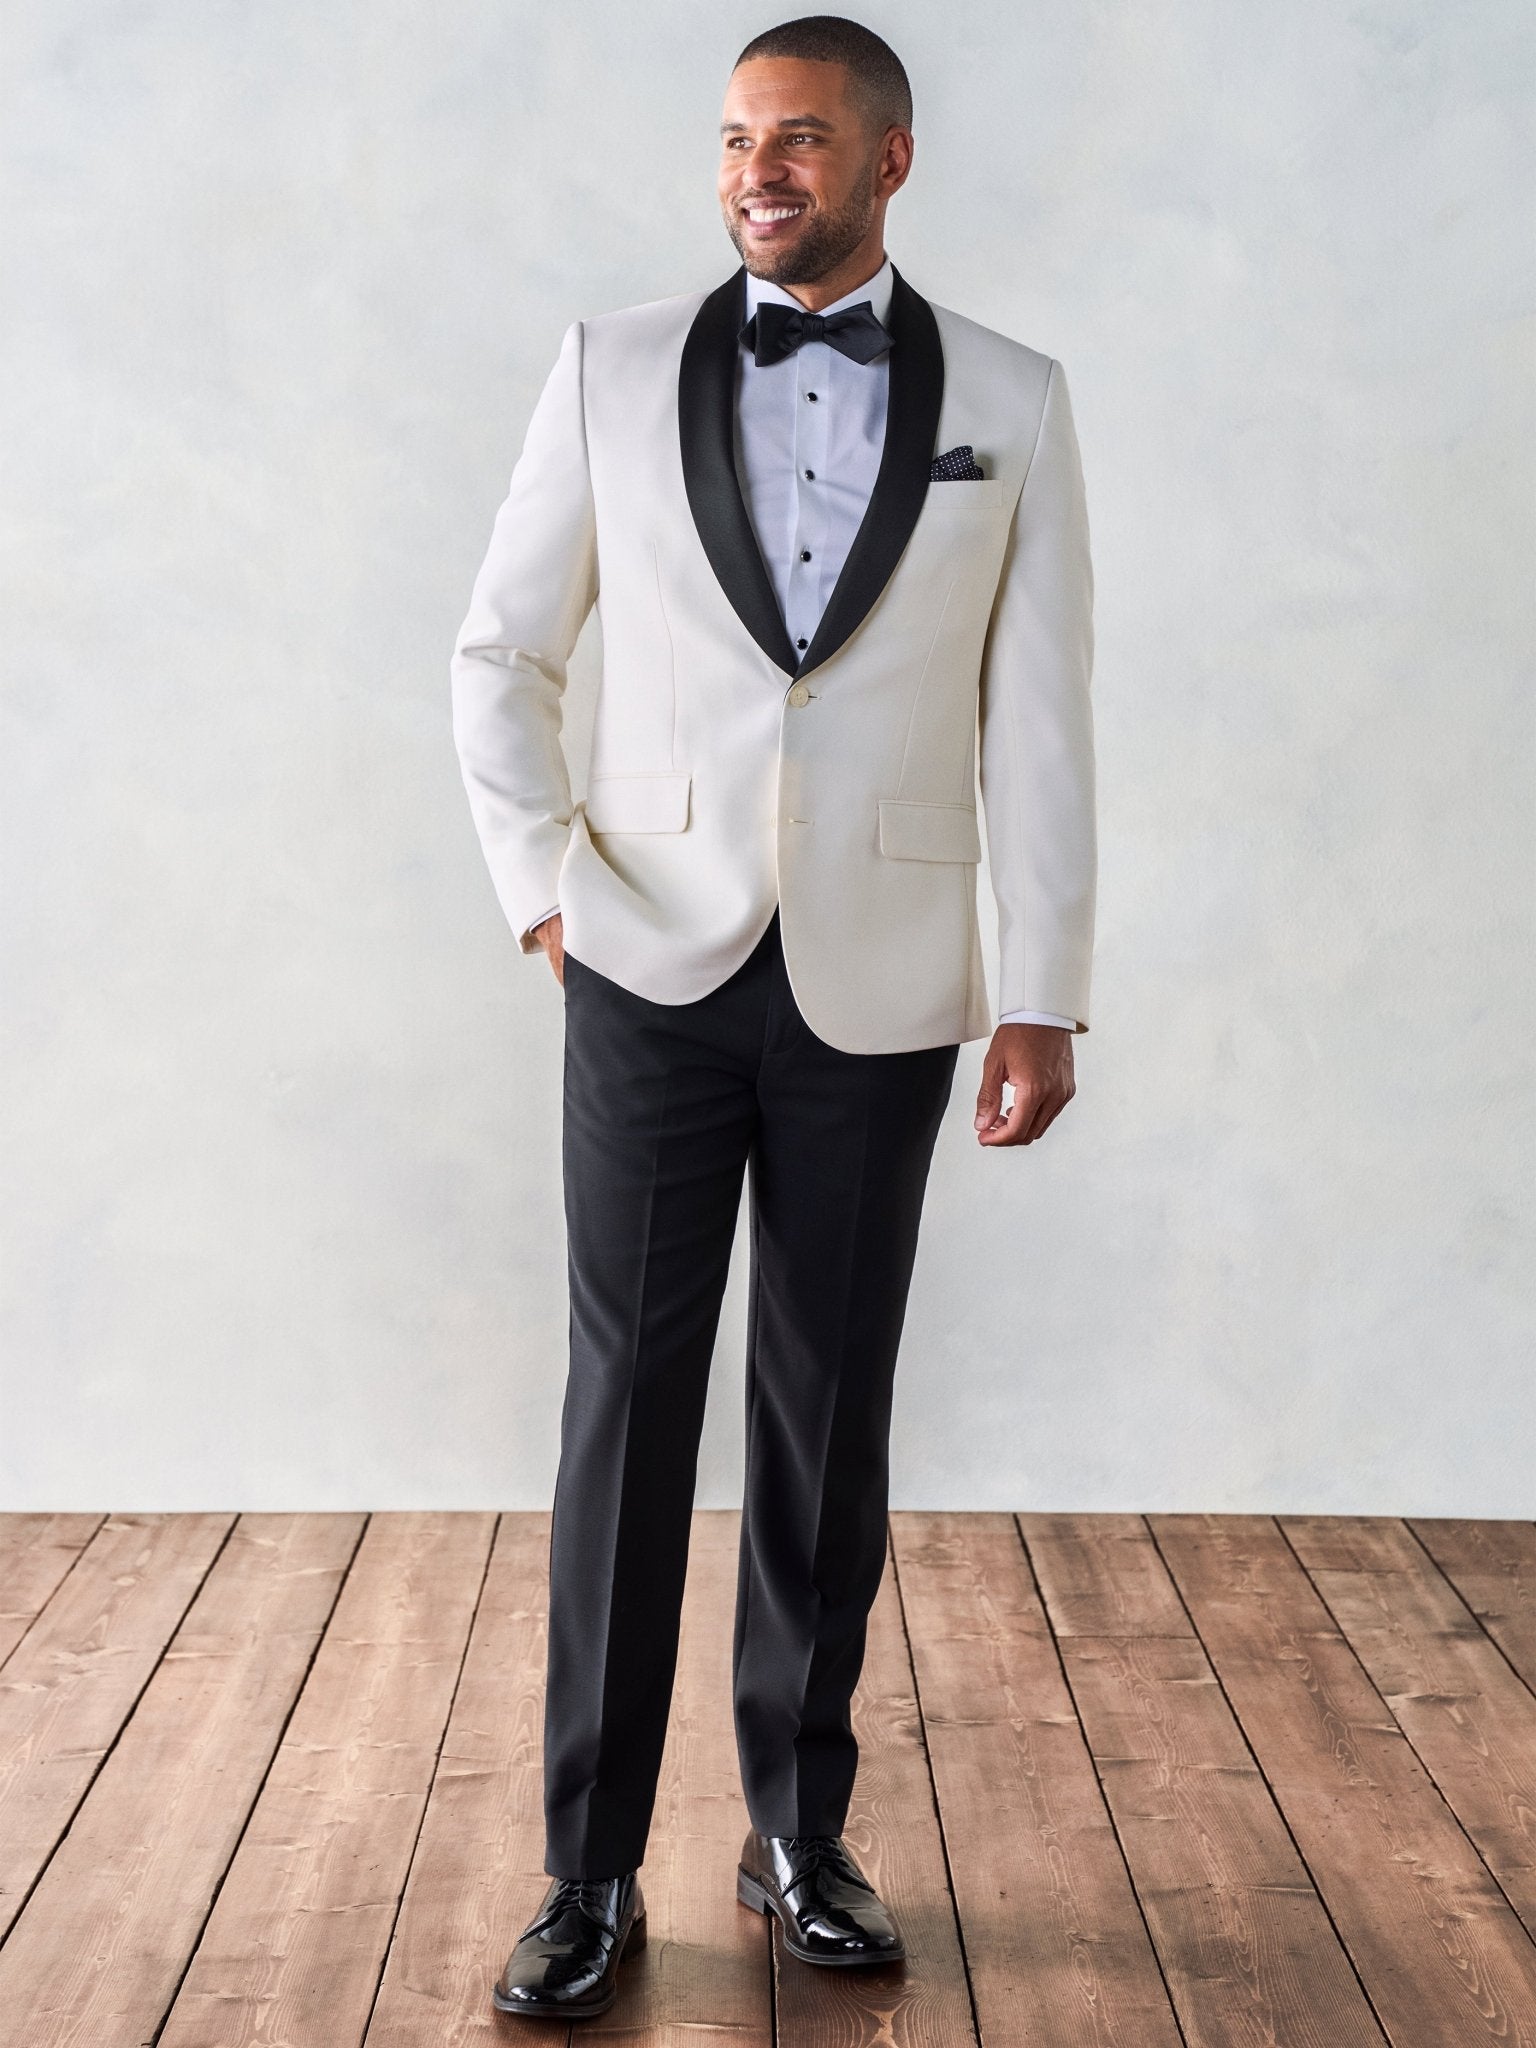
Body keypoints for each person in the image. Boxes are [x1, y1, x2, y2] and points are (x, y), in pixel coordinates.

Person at [450, 13, 1095, 2021]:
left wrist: (1044, 990)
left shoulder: (1013, 397)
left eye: (800, 139)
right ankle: (587, 1871)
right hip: (645, 961)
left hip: (882, 982)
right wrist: (547, 891)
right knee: (627, 1408)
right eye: (737, 139)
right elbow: (499, 652)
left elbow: (1041, 717)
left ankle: (801, 1837)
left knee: (827, 1416)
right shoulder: (609, 365)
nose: (758, 172)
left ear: (890, 159)